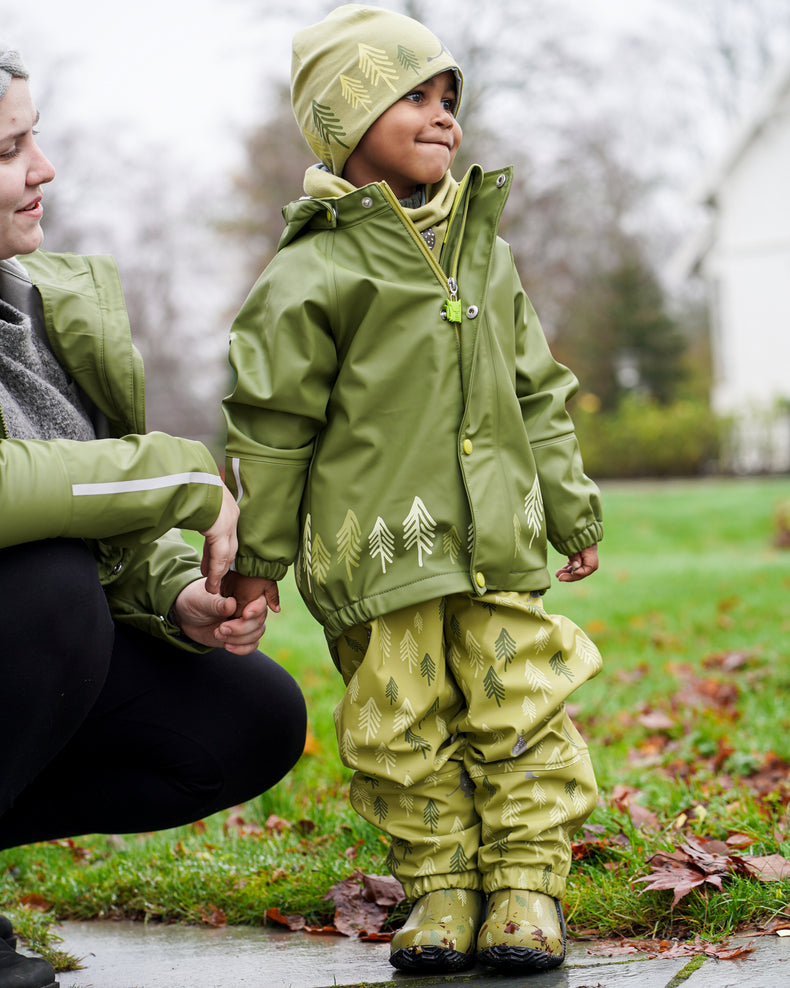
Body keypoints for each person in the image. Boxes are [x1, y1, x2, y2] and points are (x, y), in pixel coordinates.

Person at [223, 3, 603, 975]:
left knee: (519, 704)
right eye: (414, 96)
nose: (444, 117)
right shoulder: (311, 271)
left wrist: (567, 504)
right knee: (398, 727)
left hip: (496, 542)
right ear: (347, 119)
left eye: (450, 98)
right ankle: (439, 883)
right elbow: (272, 428)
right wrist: (258, 561)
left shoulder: (487, 251)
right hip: (379, 550)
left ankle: (523, 880)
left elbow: (538, 389)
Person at [0, 46, 307, 988]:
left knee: (246, 717)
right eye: (11, 148)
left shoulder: (36, 312)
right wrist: (183, 475)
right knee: (49, 595)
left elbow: (90, 519)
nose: (43, 168)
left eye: (35, 137)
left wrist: (177, 594)